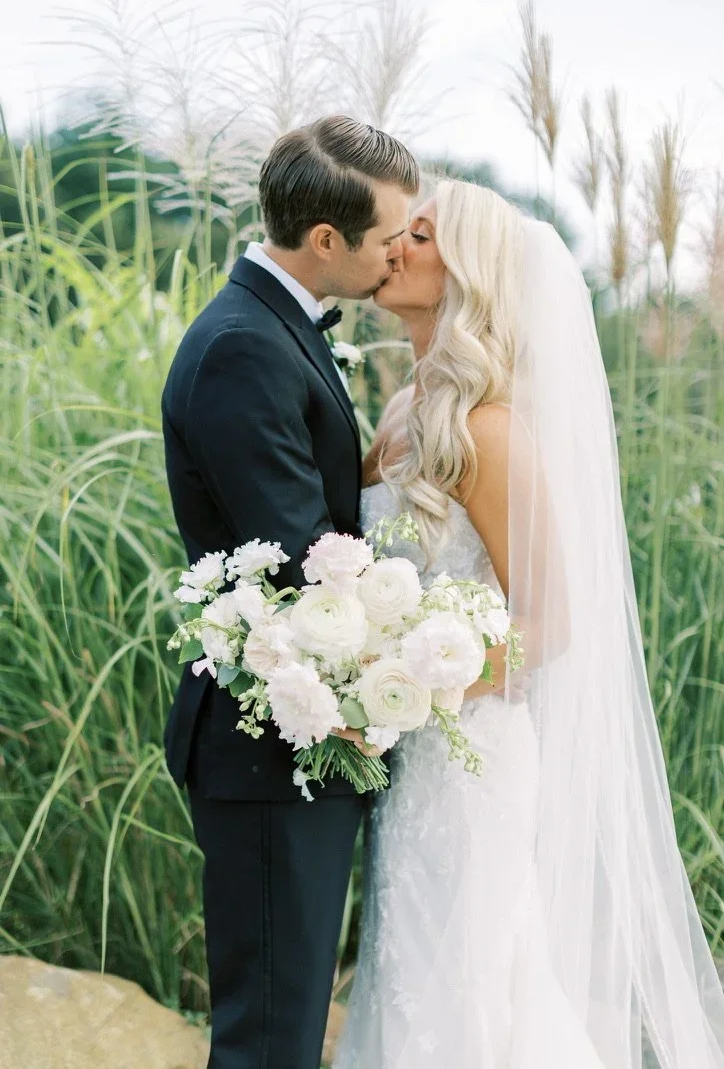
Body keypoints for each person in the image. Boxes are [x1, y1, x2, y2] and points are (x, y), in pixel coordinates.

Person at [334, 179, 724, 1068]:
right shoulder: (403, 414)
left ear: (465, 270)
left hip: (471, 758)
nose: (394, 244)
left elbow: (548, 624)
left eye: (420, 234)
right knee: (409, 971)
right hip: (408, 752)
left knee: (467, 976)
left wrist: (407, 691)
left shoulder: (491, 429)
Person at [161, 114, 418, 1069]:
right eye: (388, 237)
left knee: (287, 1023)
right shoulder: (243, 347)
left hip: (293, 746)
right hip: (270, 745)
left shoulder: (268, 330)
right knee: (270, 1038)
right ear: (324, 242)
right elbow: (306, 561)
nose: (398, 254)